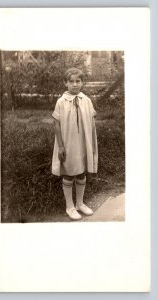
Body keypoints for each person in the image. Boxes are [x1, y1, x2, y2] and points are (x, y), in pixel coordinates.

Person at [52, 67, 98, 220]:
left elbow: (91, 122)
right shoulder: (61, 101)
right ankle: (69, 206)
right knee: (69, 172)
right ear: (65, 83)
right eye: (71, 81)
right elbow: (56, 124)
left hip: (83, 143)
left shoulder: (86, 100)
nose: (75, 84)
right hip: (68, 143)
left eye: (78, 81)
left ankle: (79, 203)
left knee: (81, 171)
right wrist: (61, 145)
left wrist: (91, 143)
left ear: (82, 82)